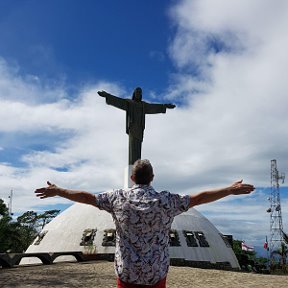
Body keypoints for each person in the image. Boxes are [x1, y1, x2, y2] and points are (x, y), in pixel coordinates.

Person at [35, 159, 255, 288]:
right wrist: (229, 189)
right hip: (156, 273)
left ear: (132, 178)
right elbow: (199, 197)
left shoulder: (117, 198)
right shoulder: (167, 201)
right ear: (152, 177)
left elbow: (86, 197)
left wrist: (58, 191)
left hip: (127, 272)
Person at [98, 88, 175, 165]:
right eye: (137, 92)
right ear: (134, 94)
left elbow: (153, 107)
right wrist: (107, 95)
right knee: (133, 147)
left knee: (138, 147)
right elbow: (119, 101)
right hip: (132, 127)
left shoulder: (143, 105)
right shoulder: (129, 103)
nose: (138, 94)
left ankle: (137, 165)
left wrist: (164, 106)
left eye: (140, 92)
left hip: (140, 129)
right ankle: (132, 165)